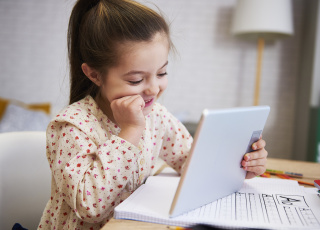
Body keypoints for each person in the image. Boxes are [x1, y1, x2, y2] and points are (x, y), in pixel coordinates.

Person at [38, 0, 268, 229]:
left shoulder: (156, 116)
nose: (153, 89)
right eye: (136, 80)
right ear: (95, 75)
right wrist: (130, 131)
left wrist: (240, 166)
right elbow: (90, 206)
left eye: (162, 73)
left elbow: (190, 161)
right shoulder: (71, 127)